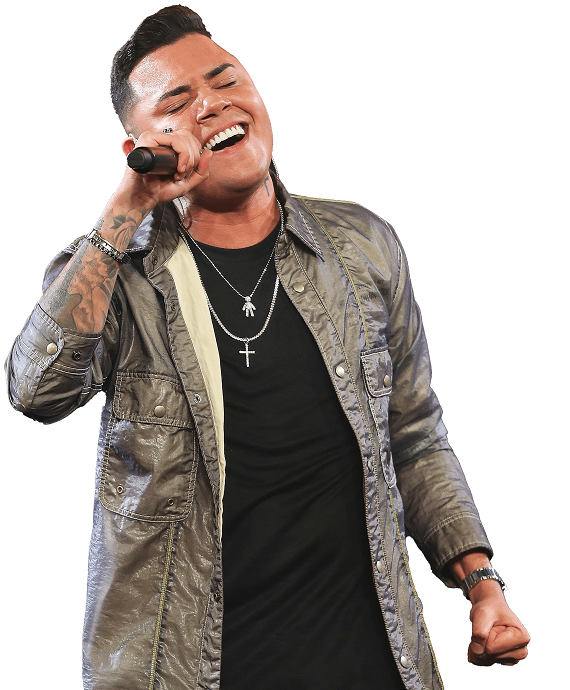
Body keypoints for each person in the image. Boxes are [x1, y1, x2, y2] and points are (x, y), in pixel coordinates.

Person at [5, 5, 529, 689]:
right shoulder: (113, 274)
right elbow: (36, 390)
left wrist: (482, 585)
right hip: (193, 672)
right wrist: (123, 214)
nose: (212, 105)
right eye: (178, 103)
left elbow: (416, 437)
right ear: (140, 145)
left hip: (373, 664)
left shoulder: (362, 247)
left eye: (227, 81)